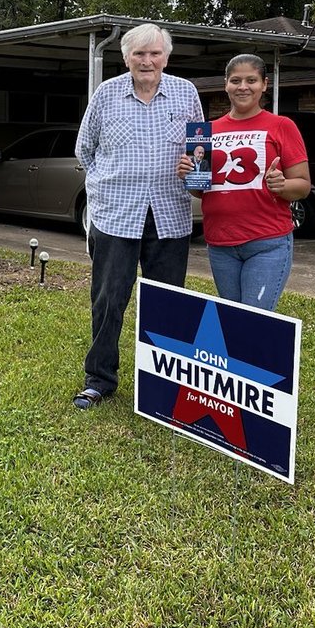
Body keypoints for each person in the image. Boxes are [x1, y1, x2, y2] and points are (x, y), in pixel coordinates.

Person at [73, 23, 204, 409]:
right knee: (108, 301)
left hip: (169, 216)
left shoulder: (186, 93)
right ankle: (99, 379)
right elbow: (85, 150)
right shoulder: (107, 94)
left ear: (166, 56)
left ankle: (163, 384)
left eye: (155, 53)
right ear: (126, 57)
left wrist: (193, 169)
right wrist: (105, 186)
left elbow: (199, 151)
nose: (147, 61)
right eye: (139, 54)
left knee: (167, 304)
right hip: (116, 216)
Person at [177, 54, 310, 311]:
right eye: (235, 80)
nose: (243, 87)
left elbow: (303, 186)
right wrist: (188, 175)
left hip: (266, 241)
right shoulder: (206, 131)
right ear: (226, 84)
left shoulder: (282, 126)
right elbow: (201, 191)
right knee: (232, 319)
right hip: (220, 242)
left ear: (264, 84)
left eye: (251, 80)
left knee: (254, 320)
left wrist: (282, 185)